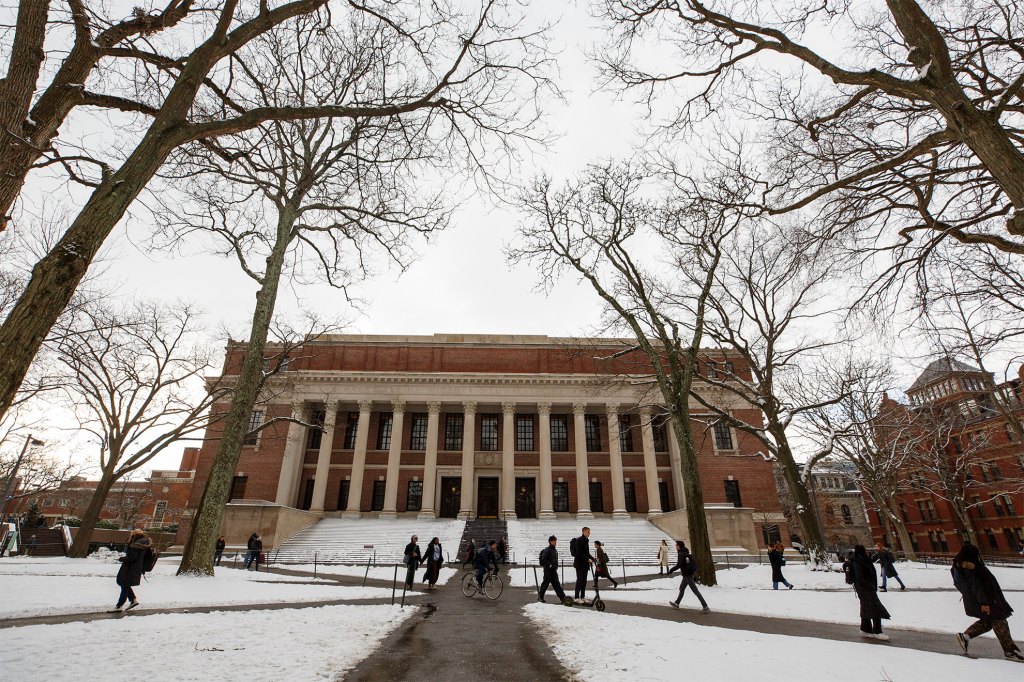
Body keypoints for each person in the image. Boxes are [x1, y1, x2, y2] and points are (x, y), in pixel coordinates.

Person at [952, 542, 1023, 662]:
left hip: (986, 599)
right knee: (1000, 621)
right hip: (987, 601)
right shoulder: (970, 567)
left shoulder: (963, 566)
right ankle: (1009, 651)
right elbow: (977, 586)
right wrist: (984, 603)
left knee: (988, 622)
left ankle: (965, 637)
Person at [851, 544, 890, 640]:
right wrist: (869, 586)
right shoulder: (858, 561)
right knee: (875, 608)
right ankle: (877, 631)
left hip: (865, 588)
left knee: (866, 608)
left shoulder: (861, 559)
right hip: (866, 589)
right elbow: (859, 577)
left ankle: (865, 629)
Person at [108, 529, 153, 612]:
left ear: (134, 535)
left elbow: (133, 557)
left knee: (124, 585)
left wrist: (122, 558)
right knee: (125, 584)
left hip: (130, 567)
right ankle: (133, 600)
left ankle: (119, 606)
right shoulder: (143, 544)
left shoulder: (135, 545)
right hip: (136, 567)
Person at [667, 539, 710, 613]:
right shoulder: (686, 553)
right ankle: (677, 603)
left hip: (687, 575)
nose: (675, 547)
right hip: (688, 575)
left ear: (679, 546)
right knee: (681, 588)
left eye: (676, 545)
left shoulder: (681, 554)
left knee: (695, 591)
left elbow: (679, 564)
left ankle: (705, 607)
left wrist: (671, 570)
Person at [538, 535, 567, 603]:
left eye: (556, 541)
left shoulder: (554, 550)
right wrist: (550, 565)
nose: (555, 542)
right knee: (545, 584)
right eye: (554, 541)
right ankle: (540, 597)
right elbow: (543, 558)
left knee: (557, 585)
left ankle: (563, 598)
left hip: (553, 571)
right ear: (550, 542)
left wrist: (554, 566)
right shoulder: (547, 550)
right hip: (548, 571)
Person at [572, 527, 596, 603]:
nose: (589, 533)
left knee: (584, 581)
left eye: (589, 531)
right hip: (579, 564)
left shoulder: (586, 540)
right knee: (579, 580)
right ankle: (576, 597)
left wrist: (593, 558)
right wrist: (587, 559)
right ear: (584, 532)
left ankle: (582, 596)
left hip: (585, 564)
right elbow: (578, 553)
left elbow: (587, 553)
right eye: (588, 532)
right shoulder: (579, 540)